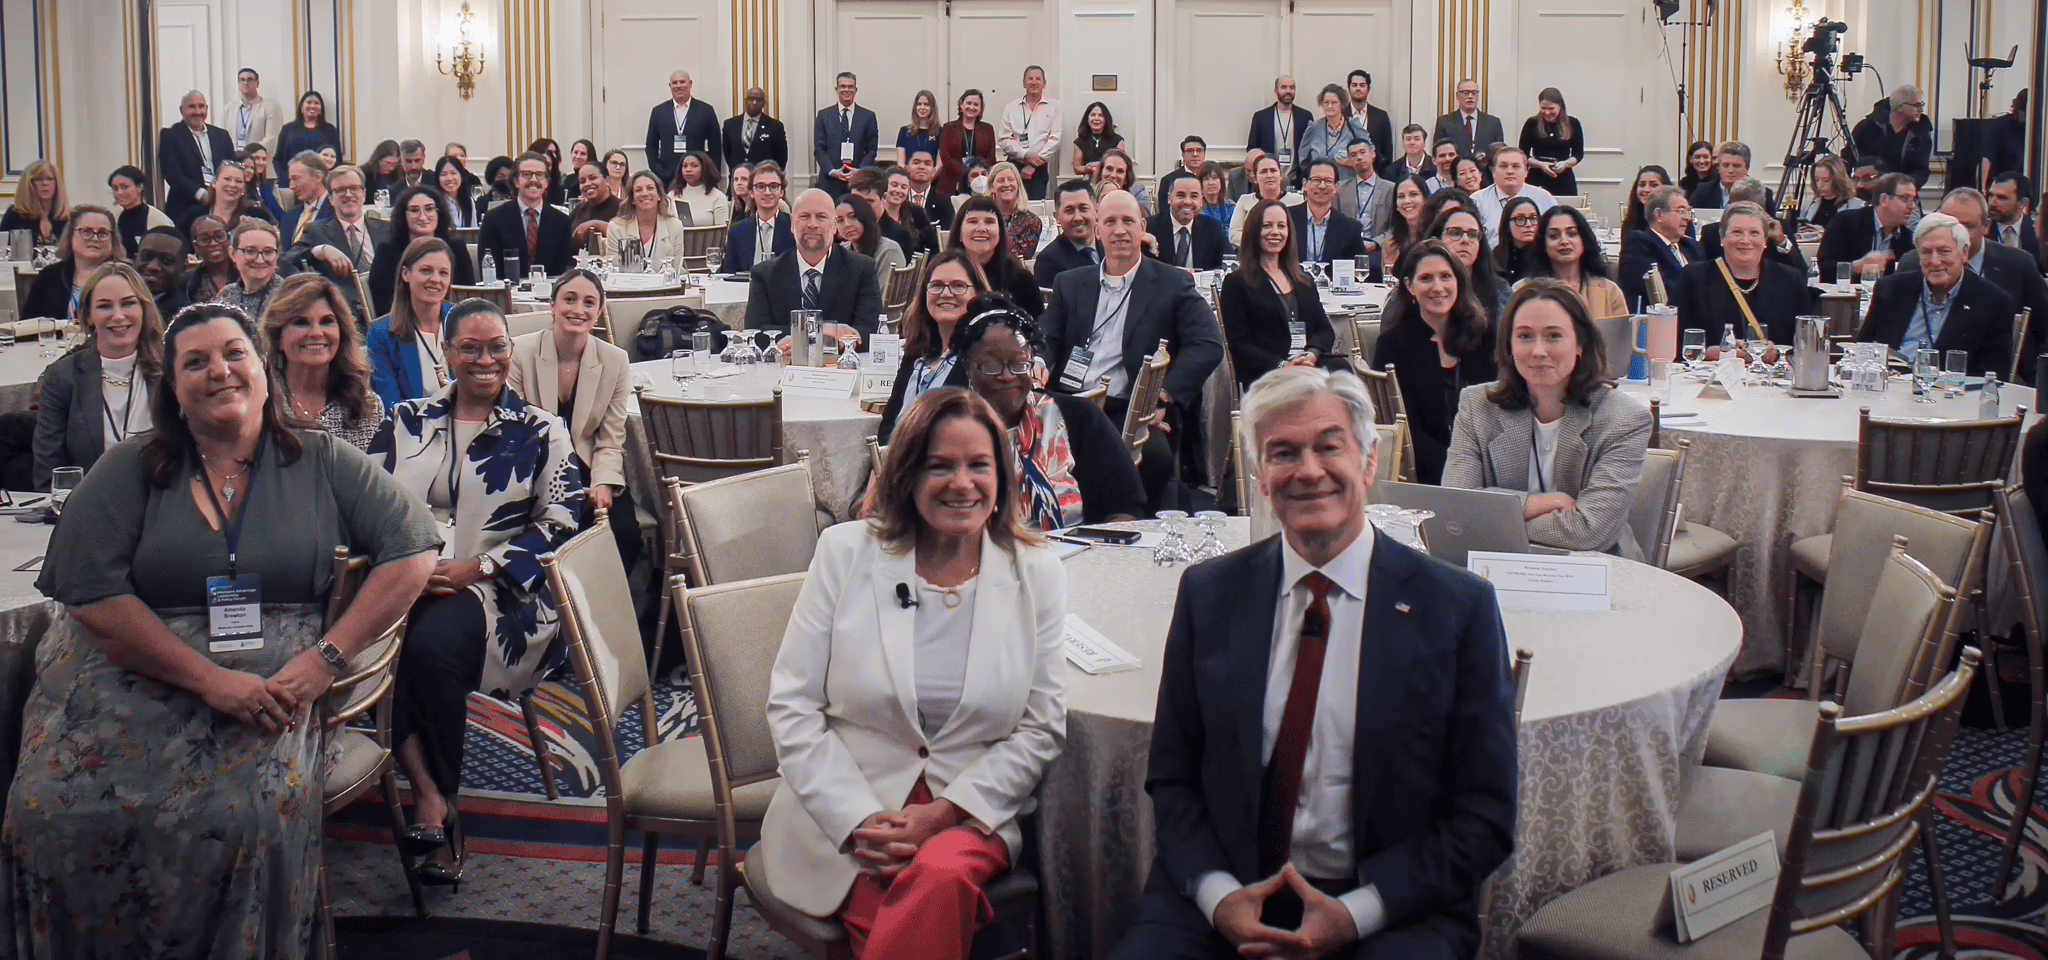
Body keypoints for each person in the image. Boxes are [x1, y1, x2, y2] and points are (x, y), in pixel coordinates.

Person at [5, 301, 436, 958]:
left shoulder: (321, 460)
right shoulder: (129, 467)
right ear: (173, 388)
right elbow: (91, 597)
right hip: (129, 666)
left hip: (276, 679)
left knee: (244, 819)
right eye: (196, 362)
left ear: (263, 368)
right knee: (46, 808)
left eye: (233, 354)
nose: (219, 371)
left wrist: (324, 661)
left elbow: (413, 550)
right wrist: (209, 680)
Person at [1112, 361, 1514, 960]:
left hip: (1391, 909)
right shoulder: (1210, 595)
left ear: (1369, 461)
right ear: (1259, 475)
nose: (1308, 471)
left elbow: (1485, 815)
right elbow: (1173, 779)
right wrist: (1221, 899)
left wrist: (1355, 915)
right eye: (1282, 453)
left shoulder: (1457, 609)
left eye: (1330, 447)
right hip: (1224, 897)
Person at [763, 383, 1066, 959]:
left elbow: (1041, 728)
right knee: (928, 893)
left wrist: (945, 814)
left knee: (941, 873)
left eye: (979, 465)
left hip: (968, 812)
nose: (962, 483)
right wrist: (859, 820)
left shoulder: (1037, 575)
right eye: (940, 466)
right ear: (907, 476)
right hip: (850, 810)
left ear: (1002, 478)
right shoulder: (845, 553)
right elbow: (792, 706)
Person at [371, 298, 583, 888]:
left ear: (511, 354)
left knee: (425, 649)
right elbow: (366, 508)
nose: (484, 359)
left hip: (505, 598)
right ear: (447, 353)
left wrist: (480, 568)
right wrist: (409, 567)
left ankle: (440, 810)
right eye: (470, 347)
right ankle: (435, 797)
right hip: (408, 587)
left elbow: (567, 520)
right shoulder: (406, 420)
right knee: (380, 642)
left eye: (496, 348)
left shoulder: (542, 429)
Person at [1042, 190, 1224, 507]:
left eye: (1128, 221)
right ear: (1098, 231)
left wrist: (1165, 394)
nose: (1120, 230)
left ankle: (1127, 530)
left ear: (1142, 228)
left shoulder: (1171, 283)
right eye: (1110, 222)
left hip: (1130, 411)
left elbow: (1208, 344)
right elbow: (1047, 337)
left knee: (1152, 459)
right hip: (1069, 406)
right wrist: (1039, 360)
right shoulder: (1069, 283)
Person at [1445, 280, 1651, 556]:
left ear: (1581, 344)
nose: (1538, 350)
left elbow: (1590, 532)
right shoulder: (1477, 405)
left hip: (1594, 572)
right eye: (1525, 336)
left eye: (1553, 336)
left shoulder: (1624, 419)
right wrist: (1539, 504)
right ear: (1509, 345)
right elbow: (1454, 504)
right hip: (1500, 563)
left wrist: (1488, 518)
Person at [956, 300, 1145, 525]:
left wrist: (1104, 552)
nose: (1007, 376)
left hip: (1076, 554)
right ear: (968, 369)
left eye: (1019, 364)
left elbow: (1125, 504)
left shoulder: (1079, 417)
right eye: (990, 365)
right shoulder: (951, 430)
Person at [506, 269, 638, 567]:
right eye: (570, 299)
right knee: (551, 537)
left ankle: (604, 610)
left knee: (624, 535)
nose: (579, 310)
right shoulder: (519, 353)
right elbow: (513, 429)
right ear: (552, 306)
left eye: (589, 303)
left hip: (590, 470)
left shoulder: (615, 360)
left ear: (600, 311)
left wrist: (603, 483)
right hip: (535, 470)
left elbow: (611, 438)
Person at [1373, 239, 1498, 483]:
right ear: (1410, 286)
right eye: (1426, 278)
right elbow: (1409, 433)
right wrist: (1458, 472)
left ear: (1458, 282)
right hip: (1427, 473)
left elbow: (1494, 413)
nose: (1437, 287)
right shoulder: (1393, 345)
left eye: (1445, 277)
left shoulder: (1483, 336)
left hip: (1486, 466)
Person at [34, 262, 163, 488]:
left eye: (128, 304)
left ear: (144, 309)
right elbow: (49, 477)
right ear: (89, 316)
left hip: (160, 508)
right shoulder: (63, 378)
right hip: (90, 512)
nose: (118, 316)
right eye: (104, 306)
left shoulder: (171, 372)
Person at [1898, 188, 2048, 370]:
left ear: (1986, 226)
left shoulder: (2018, 265)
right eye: (1950, 225)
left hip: (1990, 373)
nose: (1957, 235)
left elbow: (2044, 327)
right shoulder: (1914, 261)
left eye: (1967, 226)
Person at [1858, 212, 2016, 377]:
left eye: (1944, 252)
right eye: (1926, 252)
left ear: (1964, 254)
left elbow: (1994, 376)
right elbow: (1862, 351)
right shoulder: (1891, 290)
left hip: (1954, 396)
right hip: (1889, 392)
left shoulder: (1994, 303)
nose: (1934, 261)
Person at [262, 273, 384, 450]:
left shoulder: (368, 407)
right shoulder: (261, 401)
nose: (316, 333)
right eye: (301, 323)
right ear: (278, 337)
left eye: (327, 322)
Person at [1223, 199, 1336, 389]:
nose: (1275, 232)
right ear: (1253, 231)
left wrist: (1311, 354)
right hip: (1267, 374)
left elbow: (1324, 330)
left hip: (1308, 365)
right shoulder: (1236, 283)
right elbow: (1239, 343)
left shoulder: (1304, 280)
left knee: (1345, 378)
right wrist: (1284, 366)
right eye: (1266, 226)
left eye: (1281, 226)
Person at [746, 188, 883, 343]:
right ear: (792, 224)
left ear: (834, 226)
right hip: (784, 364)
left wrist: (814, 342)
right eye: (804, 217)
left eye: (821, 217)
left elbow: (871, 332)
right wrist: (819, 330)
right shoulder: (765, 273)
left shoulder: (861, 269)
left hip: (838, 365)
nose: (812, 224)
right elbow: (754, 333)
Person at [879, 249, 987, 442]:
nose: (946, 293)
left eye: (958, 286)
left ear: (978, 295)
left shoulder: (981, 360)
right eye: (936, 286)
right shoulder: (917, 353)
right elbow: (888, 422)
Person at [1676, 202, 1816, 345]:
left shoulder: (1790, 280)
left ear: (1765, 240)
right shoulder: (1693, 278)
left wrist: (1779, 355)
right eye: (1737, 232)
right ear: (1722, 237)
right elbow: (1676, 341)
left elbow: (1806, 344)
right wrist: (1710, 354)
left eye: (1754, 233)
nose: (1745, 240)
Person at [285, 164, 388, 317]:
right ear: (330, 199)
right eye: (340, 190)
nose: (348, 194)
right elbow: (287, 261)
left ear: (364, 194)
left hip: (387, 314)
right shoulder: (316, 232)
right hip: (345, 316)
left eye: (354, 188)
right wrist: (320, 250)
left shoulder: (387, 229)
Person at [367, 237, 457, 410]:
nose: (436, 279)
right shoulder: (381, 334)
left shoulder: (462, 321)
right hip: (412, 431)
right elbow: (391, 407)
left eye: (443, 273)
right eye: (426, 271)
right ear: (405, 274)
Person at [368, 185, 476, 316]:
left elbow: (469, 297)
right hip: (402, 323)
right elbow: (382, 302)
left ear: (439, 212)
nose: (423, 216)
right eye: (414, 211)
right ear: (404, 216)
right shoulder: (387, 251)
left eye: (429, 209)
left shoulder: (457, 248)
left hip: (454, 321)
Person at [479, 152, 574, 278]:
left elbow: (564, 271)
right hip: (507, 293)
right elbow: (488, 271)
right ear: (516, 181)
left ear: (546, 183)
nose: (533, 180)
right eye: (527, 174)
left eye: (539, 175)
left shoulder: (562, 221)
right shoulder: (493, 219)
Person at [1523, 206, 1627, 319]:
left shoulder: (1609, 291)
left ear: (1584, 239)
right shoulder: (1523, 290)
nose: (1564, 241)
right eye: (1554, 236)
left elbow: (1624, 334)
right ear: (1543, 244)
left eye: (1572, 234)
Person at [20, 206, 121, 322]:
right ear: (71, 235)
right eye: (86, 232)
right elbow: (26, 325)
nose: (95, 238)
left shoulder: (125, 276)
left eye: (103, 233)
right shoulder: (48, 276)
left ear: (113, 240)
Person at [948, 195, 1044, 315]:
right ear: (960, 233)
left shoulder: (1022, 281)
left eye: (989, 222)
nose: (981, 228)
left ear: (1000, 232)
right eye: (972, 221)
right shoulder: (944, 277)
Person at [1817, 172, 1918, 281]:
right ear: (1884, 200)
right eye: (1905, 198)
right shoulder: (1845, 222)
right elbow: (1823, 269)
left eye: (1914, 200)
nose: (1912, 206)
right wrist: (1856, 267)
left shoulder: (1907, 239)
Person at [1698, 178, 1809, 275]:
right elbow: (1702, 276)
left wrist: (1781, 242)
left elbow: (1801, 274)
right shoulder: (1712, 232)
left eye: (1746, 210)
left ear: (1762, 209)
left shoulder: (1779, 228)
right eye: (1734, 207)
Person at [157, 91, 239, 223]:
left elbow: (233, 168)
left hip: (221, 205)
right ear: (181, 110)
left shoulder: (221, 135)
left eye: (201, 106)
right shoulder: (170, 135)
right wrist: (201, 194)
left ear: (207, 109)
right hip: (185, 208)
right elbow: (173, 174)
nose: (197, 111)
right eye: (191, 107)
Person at [1618, 185, 1702, 310]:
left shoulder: (1691, 247)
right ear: (1659, 215)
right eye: (1680, 211)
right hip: (1656, 323)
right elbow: (1659, 291)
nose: (1687, 217)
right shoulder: (1638, 244)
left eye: (1688, 211)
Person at [994, 66, 1063, 203]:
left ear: (1044, 83)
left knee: (1035, 207)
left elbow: (1055, 139)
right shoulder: (1011, 108)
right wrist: (1025, 155)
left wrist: (1034, 164)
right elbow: (1004, 138)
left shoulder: (1054, 107)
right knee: (1011, 204)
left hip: (1039, 168)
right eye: (1030, 78)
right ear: (1024, 83)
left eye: (1038, 79)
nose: (1034, 82)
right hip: (1014, 166)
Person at [1292, 160, 1369, 277]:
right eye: (1316, 180)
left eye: (1328, 181)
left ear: (1336, 187)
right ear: (1304, 184)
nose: (1322, 186)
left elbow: (1357, 271)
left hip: (1333, 292)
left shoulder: (1350, 228)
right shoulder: (1287, 218)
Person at [1431, 208, 1507, 320]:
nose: (1465, 240)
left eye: (1472, 235)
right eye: (1455, 233)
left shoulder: (1499, 289)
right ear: (1437, 239)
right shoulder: (1420, 283)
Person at [607, 171, 690, 270]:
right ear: (632, 199)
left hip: (665, 285)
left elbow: (676, 269)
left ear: (659, 196)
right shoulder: (616, 228)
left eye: (650, 188)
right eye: (638, 190)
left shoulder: (675, 226)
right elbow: (613, 270)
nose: (645, 193)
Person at [1852, 85, 1933, 187]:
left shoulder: (1921, 133)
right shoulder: (1867, 128)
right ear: (1900, 107)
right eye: (1916, 105)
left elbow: (1921, 171)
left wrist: (1900, 185)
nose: (1920, 110)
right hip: (1865, 190)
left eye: (1922, 105)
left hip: (1902, 191)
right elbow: (1850, 158)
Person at [1471, 146, 1555, 243]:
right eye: (1503, 166)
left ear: (1526, 171)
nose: (1510, 171)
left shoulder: (1544, 198)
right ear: (1493, 171)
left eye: (1516, 166)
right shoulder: (1477, 201)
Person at [722, 161, 794, 273]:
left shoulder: (794, 227)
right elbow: (728, 273)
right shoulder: (737, 231)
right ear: (751, 192)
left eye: (773, 186)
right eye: (761, 187)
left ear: (782, 192)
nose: (767, 192)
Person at [816, 72, 880, 197]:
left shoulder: (868, 117)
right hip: (830, 182)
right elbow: (819, 148)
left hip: (859, 182)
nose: (847, 90)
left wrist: (860, 171)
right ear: (837, 89)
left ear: (855, 90)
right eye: (843, 86)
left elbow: (871, 149)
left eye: (850, 87)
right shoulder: (824, 116)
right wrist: (832, 171)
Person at [177, 159, 272, 238]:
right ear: (214, 183)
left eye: (238, 181)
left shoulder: (257, 216)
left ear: (243, 188)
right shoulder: (193, 216)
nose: (232, 185)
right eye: (227, 179)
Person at [1149, 176, 1228, 271]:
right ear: (1170, 198)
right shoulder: (1150, 228)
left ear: (1201, 201)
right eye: (1181, 195)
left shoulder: (1212, 228)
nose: (1187, 201)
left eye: (1194, 196)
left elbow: (1221, 266)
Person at [1035, 179, 1103, 288]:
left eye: (1083, 209)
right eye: (1069, 211)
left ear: (1096, 211)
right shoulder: (1048, 261)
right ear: (1057, 217)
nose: (1078, 218)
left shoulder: (1111, 247)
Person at [1299, 85, 1370, 186]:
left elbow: (1370, 156)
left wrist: (1350, 163)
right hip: (1320, 188)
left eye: (1334, 102)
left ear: (1342, 104)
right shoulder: (1314, 128)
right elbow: (1303, 161)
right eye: (1326, 103)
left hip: (1348, 187)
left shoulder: (1353, 126)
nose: (1329, 106)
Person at [213, 221, 287, 318]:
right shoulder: (226, 295)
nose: (260, 260)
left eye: (268, 252)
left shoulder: (287, 296)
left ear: (277, 255)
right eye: (250, 251)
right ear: (232, 254)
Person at [1519, 88, 1583, 195]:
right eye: (1543, 108)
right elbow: (1522, 154)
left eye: (1551, 108)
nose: (1547, 112)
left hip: (1564, 178)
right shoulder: (1532, 123)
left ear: (1560, 106)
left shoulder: (1573, 123)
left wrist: (1565, 164)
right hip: (1537, 176)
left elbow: (1578, 154)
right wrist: (1541, 165)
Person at [1229, 153, 1305, 243]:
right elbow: (1234, 235)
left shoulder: (1298, 200)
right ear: (1254, 178)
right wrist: (1264, 242)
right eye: (1263, 171)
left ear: (1281, 175)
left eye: (1273, 170)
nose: (1269, 175)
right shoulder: (1245, 201)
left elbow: (1304, 233)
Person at [1248, 77, 1312, 181]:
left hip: (1297, 180)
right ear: (1276, 90)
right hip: (1268, 179)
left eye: (1292, 87)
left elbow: (1310, 149)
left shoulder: (1305, 117)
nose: (1288, 91)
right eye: (1283, 87)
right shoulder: (1261, 117)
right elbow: (1252, 148)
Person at [937, 89, 997, 198]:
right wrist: (966, 174)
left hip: (980, 183)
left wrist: (976, 174)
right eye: (968, 103)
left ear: (980, 109)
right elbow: (945, 156)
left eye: (976, 104)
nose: (972, 107)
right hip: (952, 182)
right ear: (961, 105)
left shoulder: (988, 129)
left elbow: (991, 157)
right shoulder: (949, 127)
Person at [272, 91, 342, 182]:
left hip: (320, 182)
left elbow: (337, 160)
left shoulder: (330, 130)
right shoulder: (288, 129)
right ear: (302, 108)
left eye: (316, 103)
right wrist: (286, 179)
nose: (312, 106)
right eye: (309, 102)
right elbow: (278, 159)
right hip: (291, 182)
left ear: (321, 110)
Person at [839, 194, 906, 287]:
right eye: (840, 220)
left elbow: (878, 298)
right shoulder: (841, 251)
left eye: (852, 217)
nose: (847, 224)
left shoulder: (889, 251)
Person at [106, 165, 171, 257]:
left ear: (140, 187)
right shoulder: (114, 218)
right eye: (115, 188)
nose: (119, 193)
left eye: (124, 187)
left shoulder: (157, 219)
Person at [1337, 140, 1394, 245]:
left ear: (1372, 154)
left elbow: (1396, 228)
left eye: (1362, 152)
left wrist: (1376, 244)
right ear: (1349, 160)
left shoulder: (1391, 189)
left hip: (1380, 250)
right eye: (1353, 155)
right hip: (1348, 250)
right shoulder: (1340, 190)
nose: (1359, 157)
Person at [1687, 141, 1771, 211]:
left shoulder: (1762, 193)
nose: (1730, 170)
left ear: (1747, 168)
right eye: (1725, 165)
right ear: (1719, 167)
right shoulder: (1703, 191)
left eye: (1736, 166)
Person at [1434, 78, 1505, 159]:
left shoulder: (1493, 123)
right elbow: (1439, 152)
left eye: (1474, 93)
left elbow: (1499, 154)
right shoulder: (1444, 122)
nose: (1470, 96)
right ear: (1457, 96)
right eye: (1466, 93)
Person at [3, 159, 68, 245]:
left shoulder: (68, 219)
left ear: (56, 184)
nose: (45, 183)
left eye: (50, 179)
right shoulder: (14, 216)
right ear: (28, 185)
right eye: (38, 179)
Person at [723, 86, 789, 171]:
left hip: (763, 178)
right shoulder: (730, 125)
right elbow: (727, 152)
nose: (754, 103)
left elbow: (781, 157)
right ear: (745, 101)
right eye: (751, 99)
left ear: (764, 103)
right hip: (738, 178)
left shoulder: (775, 126)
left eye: (758, 100)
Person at [277, 152, 334, 249]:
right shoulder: (289, 217)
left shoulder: (336, 212)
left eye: (296, 178)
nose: (292, 187)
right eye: (290, 180)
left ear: (318, 177)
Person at [134, 227, 192, 319]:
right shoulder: (114, 297)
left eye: (166, 261)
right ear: (135, 259)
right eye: (146, 256)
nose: (152, 267)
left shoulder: (184, 317)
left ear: (183, 269)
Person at [1343, 69, 1395, 170]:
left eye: (1362, 85)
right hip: (1345, 175)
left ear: (1368, 88)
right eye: (1354, 85)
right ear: (1349, 88)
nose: (1358, 88)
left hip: (1374, 174)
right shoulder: (1340, 115)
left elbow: (1387, 151)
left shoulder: (1381, 116)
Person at [667, 150, 729, 228]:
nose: (688, 169)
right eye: (685, 166)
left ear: (705, 168)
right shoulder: (672, 195)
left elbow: (721, 233)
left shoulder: (717, 197)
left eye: (694, 166)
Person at [184, 216, 239, 304]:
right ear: (195, 246)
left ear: (229, 239)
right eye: (204, 239)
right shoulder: (188, 283)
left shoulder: (245, 274)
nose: (214, 243)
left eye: (219, 236)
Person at [1383, 174, 1432, 270]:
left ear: (1425, 199)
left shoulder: (1436, 236)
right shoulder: (1391, 241)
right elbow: (1388, 278)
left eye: (1413, 194)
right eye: (1401, 196)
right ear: (1396, 205)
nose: (1407, 201)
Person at [1798, 155, 1863, 229]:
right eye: (1817, 180)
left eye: (1826, 181)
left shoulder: (1854, 205)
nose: (1820, 185)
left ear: (1838, 180)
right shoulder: (1809, 203)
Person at [231, 66, 285, 150]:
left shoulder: (270, 107)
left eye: (249, 79)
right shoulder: (229, 108)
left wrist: (250, 152)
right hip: (234, 158)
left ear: (257, 83)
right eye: (242, 80)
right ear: (238, 83)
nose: (245, 83)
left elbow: (271, 138)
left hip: (259, 158)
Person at [1987, 171, 2038, 259]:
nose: (1992, 203)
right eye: (1991, 196)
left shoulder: (2037, 233)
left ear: (2022, 203)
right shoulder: (1982, 229)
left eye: (2001, 198)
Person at [1492, 196, 1544, 282]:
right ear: (1507, 225)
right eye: (1520, 219)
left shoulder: (1545, 256)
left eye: (1533, 218)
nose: (1528, 224)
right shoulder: (1495, 258)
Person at [904, 148, 955, 234]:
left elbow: (947, 235)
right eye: (916, 162)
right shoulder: (899, 197)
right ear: (906, 168)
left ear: (934, 171)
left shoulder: (944, 202)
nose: (921, 167)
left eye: (927, 164)